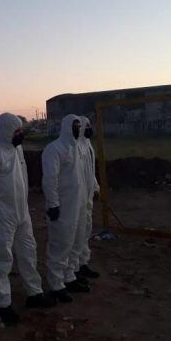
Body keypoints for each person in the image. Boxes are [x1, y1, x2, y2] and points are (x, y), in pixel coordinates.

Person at [0, 113, 55, 325]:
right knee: (1, 259)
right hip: (0, 215)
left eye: (21, 130)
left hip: (21, 212)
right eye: (17, 131)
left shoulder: (16, 150)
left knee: (28, 252)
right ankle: (1, 304)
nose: (21, 134)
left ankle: (34, 293)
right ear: (7, 130)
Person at [42, 114, 89, 303]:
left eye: (80, 126)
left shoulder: (76, 147)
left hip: (77, 205)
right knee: (60, 245)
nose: (78, 129)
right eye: (75, 126)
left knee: (76, 242)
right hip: (62, 207)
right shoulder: (54, 149)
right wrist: (53, 204)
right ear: (67, 127)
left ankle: (69, 277)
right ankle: (56, 284)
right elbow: (50, 179)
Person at [76, 116, 100, 280]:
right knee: (77, 233)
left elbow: (91, 170)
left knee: (86, 232)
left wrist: (96, 187)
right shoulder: (76, 146)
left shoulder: (87, 145)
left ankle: (83, 263)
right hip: (79, 196)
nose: (90, 128)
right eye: (88, 126)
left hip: (88, 195)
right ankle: (74, 267)